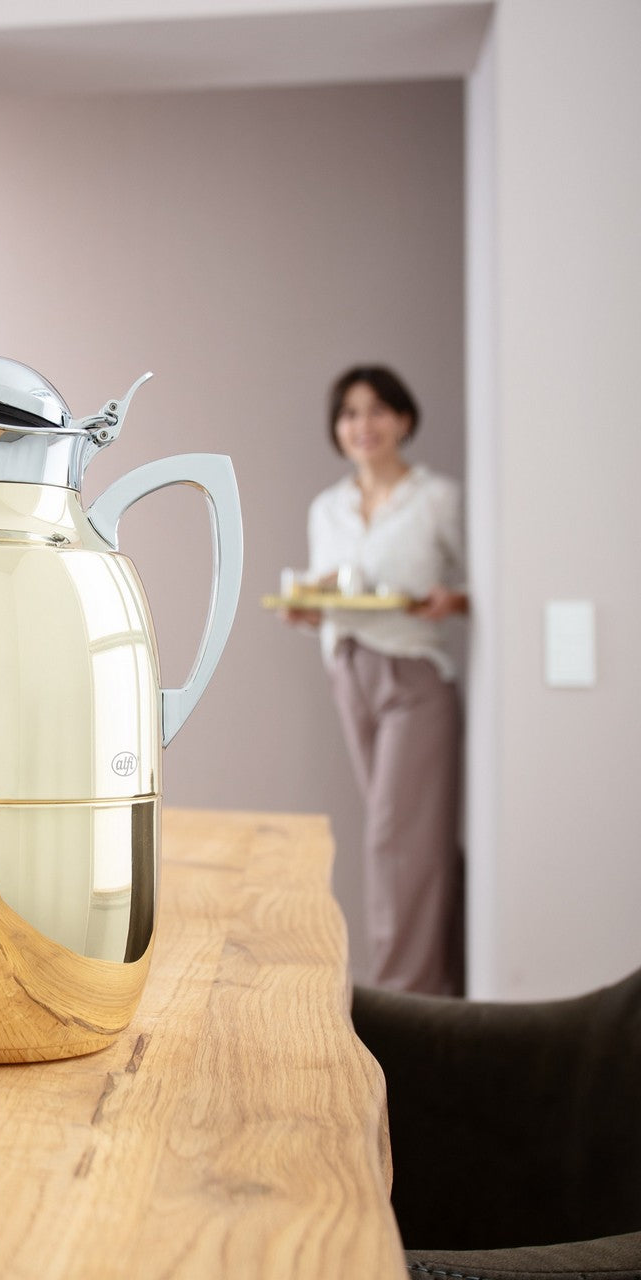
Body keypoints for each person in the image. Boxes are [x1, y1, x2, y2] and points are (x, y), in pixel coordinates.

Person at [285, 365, 468, 996]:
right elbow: (331, 592)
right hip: (349, 670)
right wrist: (307, 611)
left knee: (396, 840)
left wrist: (458, 601)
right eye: (349, 414)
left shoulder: (438, 498)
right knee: (413, 842)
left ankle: (402, 998)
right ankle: (442, 990)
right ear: (337, 430)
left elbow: (480, 584)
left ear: (405, 420)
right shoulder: (327, 508)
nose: (363, 425)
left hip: (413, 675)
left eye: (377, 411)